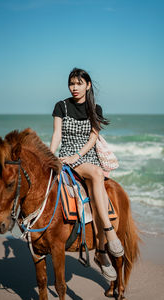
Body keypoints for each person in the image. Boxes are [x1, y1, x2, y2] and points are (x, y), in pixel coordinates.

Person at [50, 68, 124, 281]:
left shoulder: (95, 108)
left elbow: (93, 138)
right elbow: (57, 135)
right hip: (67, 156)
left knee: (96, 176)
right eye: (72, 83)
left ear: (88, 85)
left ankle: (101, 251)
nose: (74, 87)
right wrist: (50, 156)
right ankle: (109, 234)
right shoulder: (61, 106)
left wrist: (78, 155)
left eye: (79, 83)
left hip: (86, 155)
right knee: (96, 173)